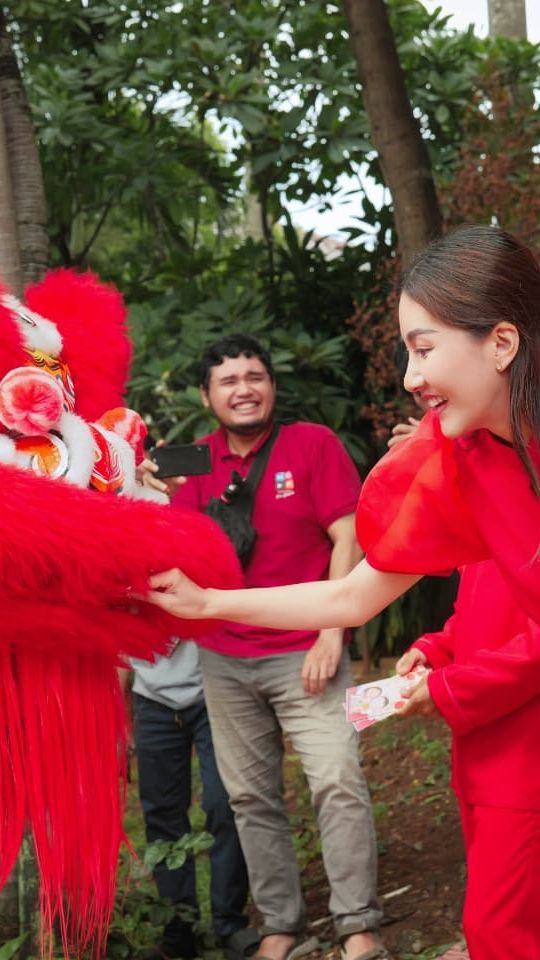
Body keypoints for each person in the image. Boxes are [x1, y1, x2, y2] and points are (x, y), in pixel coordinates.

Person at [139, 225, 540, 958]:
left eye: (424, 348)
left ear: (503, 344)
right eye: (407, 351)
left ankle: (361, 929)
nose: (411, 376)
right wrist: (207, 604)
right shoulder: (466, 459)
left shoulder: (316, 446)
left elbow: (354, 555)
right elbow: (353, 595)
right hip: (248, 663)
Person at [141, 333, 387, 960]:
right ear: (206, 395)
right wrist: (149, 491)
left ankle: (358, 922)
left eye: (255, 376)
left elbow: (348, 535)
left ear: (272, 386)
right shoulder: (187, 462)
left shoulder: (312, 444)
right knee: (250, 797)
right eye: (228, 380)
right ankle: (280, 922)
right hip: (223, 659)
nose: (243, 388)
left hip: (308, 649)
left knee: (336, 779)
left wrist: (333, 633)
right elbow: (160, 544)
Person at [395, 560, 540, 959]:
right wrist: (434, 651)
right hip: (483, 755)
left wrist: (448, 687)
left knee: (497, 926)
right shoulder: (491, 519)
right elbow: (477, 616)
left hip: (524, 761)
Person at [121, 643, 255, 960]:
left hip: (214, 687)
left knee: (224, 803)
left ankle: (229, 924)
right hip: (151, 699)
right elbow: (119, 641)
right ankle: (179, 931)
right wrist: (121, 714)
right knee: (162, 817)